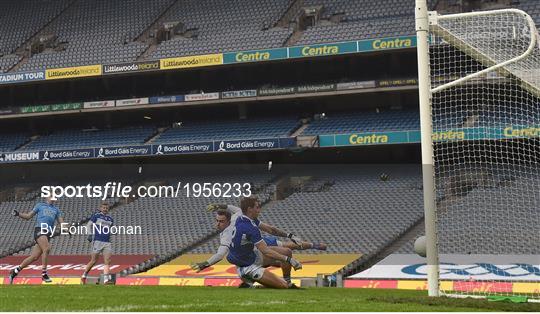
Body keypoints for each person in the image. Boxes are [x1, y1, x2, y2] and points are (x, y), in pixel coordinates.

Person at [228, 197, 303, 288]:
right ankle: (251, 282)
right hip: (247, 265)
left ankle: (288, 283)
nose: (259, 210)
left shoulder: (241, 218)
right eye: (257, 207)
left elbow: (271, 229)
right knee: (283, 286)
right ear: (249, 209)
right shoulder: (250, 227)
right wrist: (289, 260)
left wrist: (289, 235)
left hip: (250, 256)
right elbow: (266, 251)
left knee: (286, 251)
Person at [9, 197, 65, 283]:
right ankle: (44, 274)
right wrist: (18, 214)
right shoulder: (40, 205)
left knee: (34, 257)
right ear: (47, 197)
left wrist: (66, 228)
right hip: (40, 230)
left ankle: (15, 271)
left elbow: (61, 222)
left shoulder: (56, 210)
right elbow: (28, 216)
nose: (53, 198)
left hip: (48, 233)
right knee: (46, 249)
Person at [81, 203, 114, 284]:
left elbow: (109, 230)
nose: (105, 209)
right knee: (93, 261)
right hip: (97, 241)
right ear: (101, 208)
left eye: (106, 208)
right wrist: (89, 234)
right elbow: (88, 225)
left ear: (108, 209)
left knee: (108, 260)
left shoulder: (111, 219)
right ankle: (84, 275)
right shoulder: (96, 216)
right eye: (104, 207)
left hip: (107, 242)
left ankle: (106, 280)